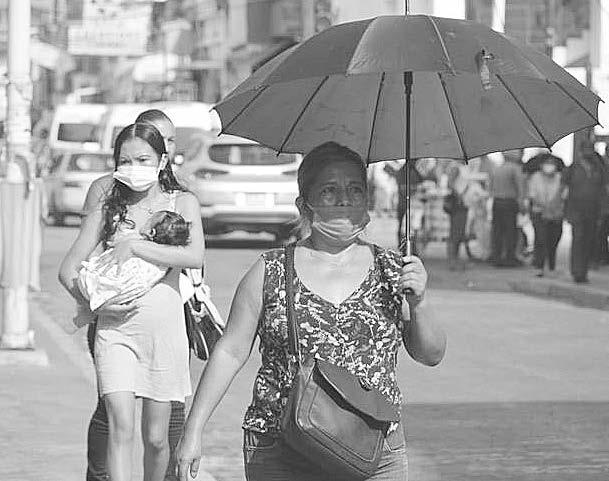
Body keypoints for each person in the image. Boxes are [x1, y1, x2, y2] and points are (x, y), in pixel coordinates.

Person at [175, 141, 446, 481]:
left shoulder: (393, 270)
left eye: (355, 189)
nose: (344, 200)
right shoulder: (271, 271)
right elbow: (230, 352)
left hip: (374, 449)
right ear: (304, 204)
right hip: (282, 448)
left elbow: (431, 354)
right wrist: (193, 430)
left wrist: (419, 303)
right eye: (329, 191)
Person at [58, 122, 204, 481]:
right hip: (115, 332)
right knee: (120, 425)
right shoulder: (108, 207)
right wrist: (96, 304)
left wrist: (137, 245)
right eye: (125, 160)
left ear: (162, 160)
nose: (133, 167)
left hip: (164, 335)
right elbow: (67, 270)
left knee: (156, 438)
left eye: (143, 159)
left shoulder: (182, 202)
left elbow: (193, 256)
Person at [76, 210, 191, 319]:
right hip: (123, 303)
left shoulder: (136, 239)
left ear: (151, 232)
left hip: (93, 285)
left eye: (148, 221)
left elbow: (114, 242)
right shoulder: (164, 262)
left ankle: (99, 296)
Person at [563, 138, 608, 283]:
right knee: (578, 239)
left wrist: (603, 210)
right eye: (586, 150)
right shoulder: (573, 168)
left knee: (589, 240)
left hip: (593, 211)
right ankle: (577, 271)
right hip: (576, 210)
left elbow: (603, 191)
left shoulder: (598, 169)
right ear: (581, 152)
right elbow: (563, 189)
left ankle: (583, 271)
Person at [527, 156, 564, 277]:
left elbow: (563, 194)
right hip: (539, 212)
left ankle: (551, 266)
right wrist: (545, 206)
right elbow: (532, 195)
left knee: (554, 239)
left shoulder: (559, 178)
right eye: (547, 163)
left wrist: (553, 206)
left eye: (552, 163)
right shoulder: (535, 177)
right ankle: (539, 266)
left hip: (556, 213)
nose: (549, 166)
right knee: (541, 238)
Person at [488, 150, 526, 267]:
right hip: (510, 203)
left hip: (497, 202)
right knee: (510, 231)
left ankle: (497, 257)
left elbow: (490, 187)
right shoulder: (515, 168)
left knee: (497, 231)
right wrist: (522, 204)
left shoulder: (496, 169)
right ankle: (510, 257)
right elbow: (520, 188)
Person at [444, 162, 469, 270]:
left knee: (458, 233)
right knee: (455, 233)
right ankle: (452, 260)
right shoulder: (456, 167)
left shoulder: (460, 167)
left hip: (462, 203)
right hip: (458, 204)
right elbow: (450, 184)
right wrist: (459, 196)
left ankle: (454, 259)